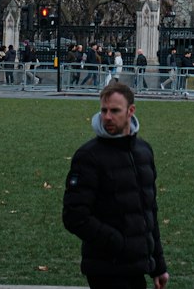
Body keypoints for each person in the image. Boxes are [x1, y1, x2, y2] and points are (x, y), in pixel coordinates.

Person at [62, 80, 168, 289]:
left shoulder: (144, 151)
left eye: (114, 111)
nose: (107, 117)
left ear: (131, 111)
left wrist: (158, 265)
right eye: (104, 110)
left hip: (137, 266)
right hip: (106, 269)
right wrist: (117, 243)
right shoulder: (89, 156)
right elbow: (74, 216)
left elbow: (149, 213)